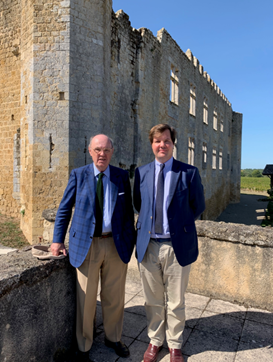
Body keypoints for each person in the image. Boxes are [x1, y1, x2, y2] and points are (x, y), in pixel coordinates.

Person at [51, 134, 135, 361]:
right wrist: (57, 240)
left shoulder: (120, 176)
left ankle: (113, 337)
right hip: (87, 245)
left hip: (115, 245)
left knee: (114, 296)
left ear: (112, 152)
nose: (102, 154)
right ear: (90, 151)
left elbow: (128, 212)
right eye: (98, 149)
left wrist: (130, 240)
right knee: (86, 299)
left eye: (107, 150)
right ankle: (84, 345)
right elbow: (64, 209)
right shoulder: (79, 175)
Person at [133, 124, 205, 362]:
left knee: (175, 301)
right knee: (152, 300)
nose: (162, 145)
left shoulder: (189, 173)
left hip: (177, 246)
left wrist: (177, 228)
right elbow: (138, 204)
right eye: (157, 141)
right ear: (151, 144)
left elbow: (198, 207)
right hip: (149, 245)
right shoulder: (142, 173)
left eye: (166, 141)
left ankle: (174, 344)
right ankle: (155, 340)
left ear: (173, 144)